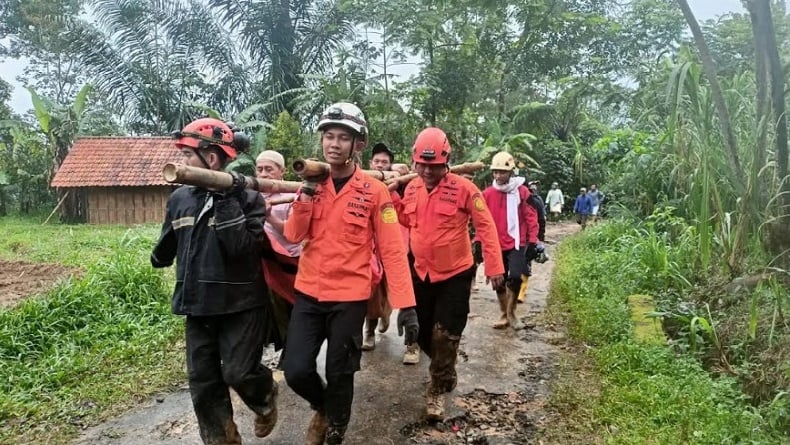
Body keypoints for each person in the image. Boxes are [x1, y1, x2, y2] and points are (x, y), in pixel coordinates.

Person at [283, 102, 418, 445]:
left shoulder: (375, 192)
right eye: (329, 136)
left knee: (340, 372)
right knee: (296, 370)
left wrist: (406, 304)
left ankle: (335, 433)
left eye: (344, 138)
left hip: (350, 298)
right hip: (309, 293)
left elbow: (391, 250)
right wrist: (307, 193)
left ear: (358, 145)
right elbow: (293, 236)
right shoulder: (309, 185)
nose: (334, 144)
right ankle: (322, 406)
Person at [152, 118, 278, 445]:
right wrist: (160, 257)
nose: (184, 163)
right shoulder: (180, 197)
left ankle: (265, 398)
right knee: (204, 383)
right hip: (197, 303)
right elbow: (171, 236)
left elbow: (241, 251)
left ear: (211, 159)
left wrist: (225, 197)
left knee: (238, 373)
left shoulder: (249, 199)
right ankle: (222, 439)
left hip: (241, 304)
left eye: (189, 156)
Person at [394, 127, 505, 422]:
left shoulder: (466, 189)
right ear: (414, 162)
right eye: (422, 165)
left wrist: (495, 267)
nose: (428, 171)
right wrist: (391, 196)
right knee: (423, 332)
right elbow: (405, 219)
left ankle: (437, 387)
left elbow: (486, 227)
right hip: (421, 273)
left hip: (455, 274)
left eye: (434, 166)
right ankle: (445, 370)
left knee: (446, 334)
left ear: (447, 162)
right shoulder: (412, 188)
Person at [481, 152, 539, 329]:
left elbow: (531, 216)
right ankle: (504, 313)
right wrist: (478, 240)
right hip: (494, 243)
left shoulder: (522, 191)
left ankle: (511, 312)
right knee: (498, 280)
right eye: (496, 172)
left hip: (516, 242)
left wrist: (533, 239)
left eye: (503, 172)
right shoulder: (487, 194)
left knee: (514, 277)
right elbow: (480, 220)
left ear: (511, 172)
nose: (499, 176)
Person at [255, 150, 301, 369]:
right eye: (259, 169)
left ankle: (291, 355)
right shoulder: (252, 195)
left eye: (269, 169)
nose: (263, 174)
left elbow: (292, 234)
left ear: (281, 172)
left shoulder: (292, 197)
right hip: (263, 264)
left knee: (290, 311)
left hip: (288, 265)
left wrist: (269, 216)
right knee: (267, 312)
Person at [516, 180, 546, 305]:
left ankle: (521, 292)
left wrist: (539, 239)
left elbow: (541, 221)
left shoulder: (535, 201)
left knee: (525, 264)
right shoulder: (510, 198)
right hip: (513, 238)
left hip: (528, 238)